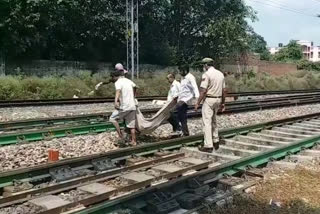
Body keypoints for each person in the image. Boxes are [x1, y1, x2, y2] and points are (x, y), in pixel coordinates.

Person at [195, 58, 226, 153]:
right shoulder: (220, 74)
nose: (203, 67)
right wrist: (223, 103)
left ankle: (208, 145)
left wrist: (197, 102)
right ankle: (215, 140)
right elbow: (224, 90)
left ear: (206, 65)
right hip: (218, 99)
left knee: (207, 122)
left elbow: (203, 91)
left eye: (203, 65)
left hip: (209, 99)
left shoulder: (206, 74)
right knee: (214, 120)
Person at [109, 70, 137, 146]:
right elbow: (135, 87)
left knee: (112, 119)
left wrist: (115, 101)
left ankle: (121, 136)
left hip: (124, 106)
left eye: (112, 77)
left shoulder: (118, 82)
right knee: (131, 125)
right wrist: (133, 96)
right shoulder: (129, 81)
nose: (112, 79)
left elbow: (118, 91)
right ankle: (134, 141)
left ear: (115, 76)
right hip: (132, 106)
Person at [176, 65, 197, 136]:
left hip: (186, 99)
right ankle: (185, 132)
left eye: (180, 71)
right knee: (182, 116)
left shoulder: (191, 77)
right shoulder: (183, 78)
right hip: (181, 99)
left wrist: (197, 100)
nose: (179, 72)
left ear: (185, 70)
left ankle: (180, 130)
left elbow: (195, 88)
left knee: (175, 112)